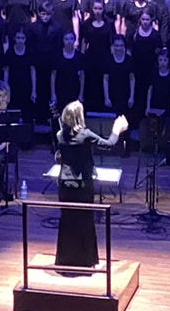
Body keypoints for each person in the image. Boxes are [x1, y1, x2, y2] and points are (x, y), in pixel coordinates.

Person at [54, 101, 128, 268]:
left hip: (65, 185)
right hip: (82, 185)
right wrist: (117, 129)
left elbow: (61, 156)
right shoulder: (85, 135)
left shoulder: (60, 135)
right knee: (85, 221)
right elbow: (109, 144)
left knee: (67, 221)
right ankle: (85, 260)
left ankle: (65, 259)